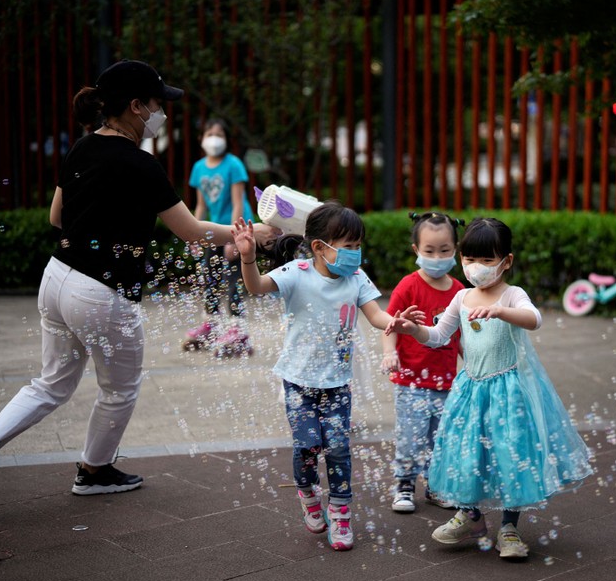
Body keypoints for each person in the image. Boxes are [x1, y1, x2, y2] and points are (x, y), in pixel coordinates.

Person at [0, 59, 280, 514]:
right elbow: (189, 230)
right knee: (119, 389)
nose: (161, 114)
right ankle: (94, 471)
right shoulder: (142, 164)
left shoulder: (81, 149)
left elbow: (56, 217)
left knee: (50, 382)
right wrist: (252, 236)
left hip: (56, 279)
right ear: (135, 107)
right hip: (101, 293)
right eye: (156, 105)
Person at [386, 217, 593, 560]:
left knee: (511, 456)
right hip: (471, 388)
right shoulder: (461, 297)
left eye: (486, 260)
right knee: (466, 452)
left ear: (506, 261)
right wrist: (413, 331)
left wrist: (501, 311)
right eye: (469, 259)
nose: (476, 268)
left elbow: (535, 319)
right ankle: (471, 516)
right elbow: (438, 337)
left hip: (509, 390)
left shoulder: (513, 295)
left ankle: (509, 528)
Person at [232, 201, 418, 552]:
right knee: (306, 447)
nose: (355, 254)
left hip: (337, 382)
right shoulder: (297, 273)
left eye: (358, 245)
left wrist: (396, 322)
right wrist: (247, 256)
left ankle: (341, 512)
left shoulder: (357, 278)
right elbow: (256, 287)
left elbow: (377, 316)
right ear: (320, 247)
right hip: (298, 381)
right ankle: (307, 493)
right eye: (348, 247)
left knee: (337, 449)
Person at [381, 212, 464, 513]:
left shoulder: (459, 292)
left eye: (444, 250)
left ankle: (434, 484)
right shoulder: (408, 286)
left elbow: (464, 338)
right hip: (411, 379)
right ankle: (403, 484)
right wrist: (390, 352)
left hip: (446, 380)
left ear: (455, 250)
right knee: (411, 436)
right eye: (429, 251)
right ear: (416, 250)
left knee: (441, 438)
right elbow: (389, 326)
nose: (437, 256)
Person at [183, 118, 253, 356]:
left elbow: (237, 204)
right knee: (209, 275)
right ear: (202, 139)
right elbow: (201, 206)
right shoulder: (199, 167)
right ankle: (210, 324)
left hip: (236, 227)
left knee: (234, 278)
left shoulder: (233, 165)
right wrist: (192, 234)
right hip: (212, 230)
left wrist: (234, 238)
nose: (215, 138)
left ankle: (237, 329)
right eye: (210, 133)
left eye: (220, 134)